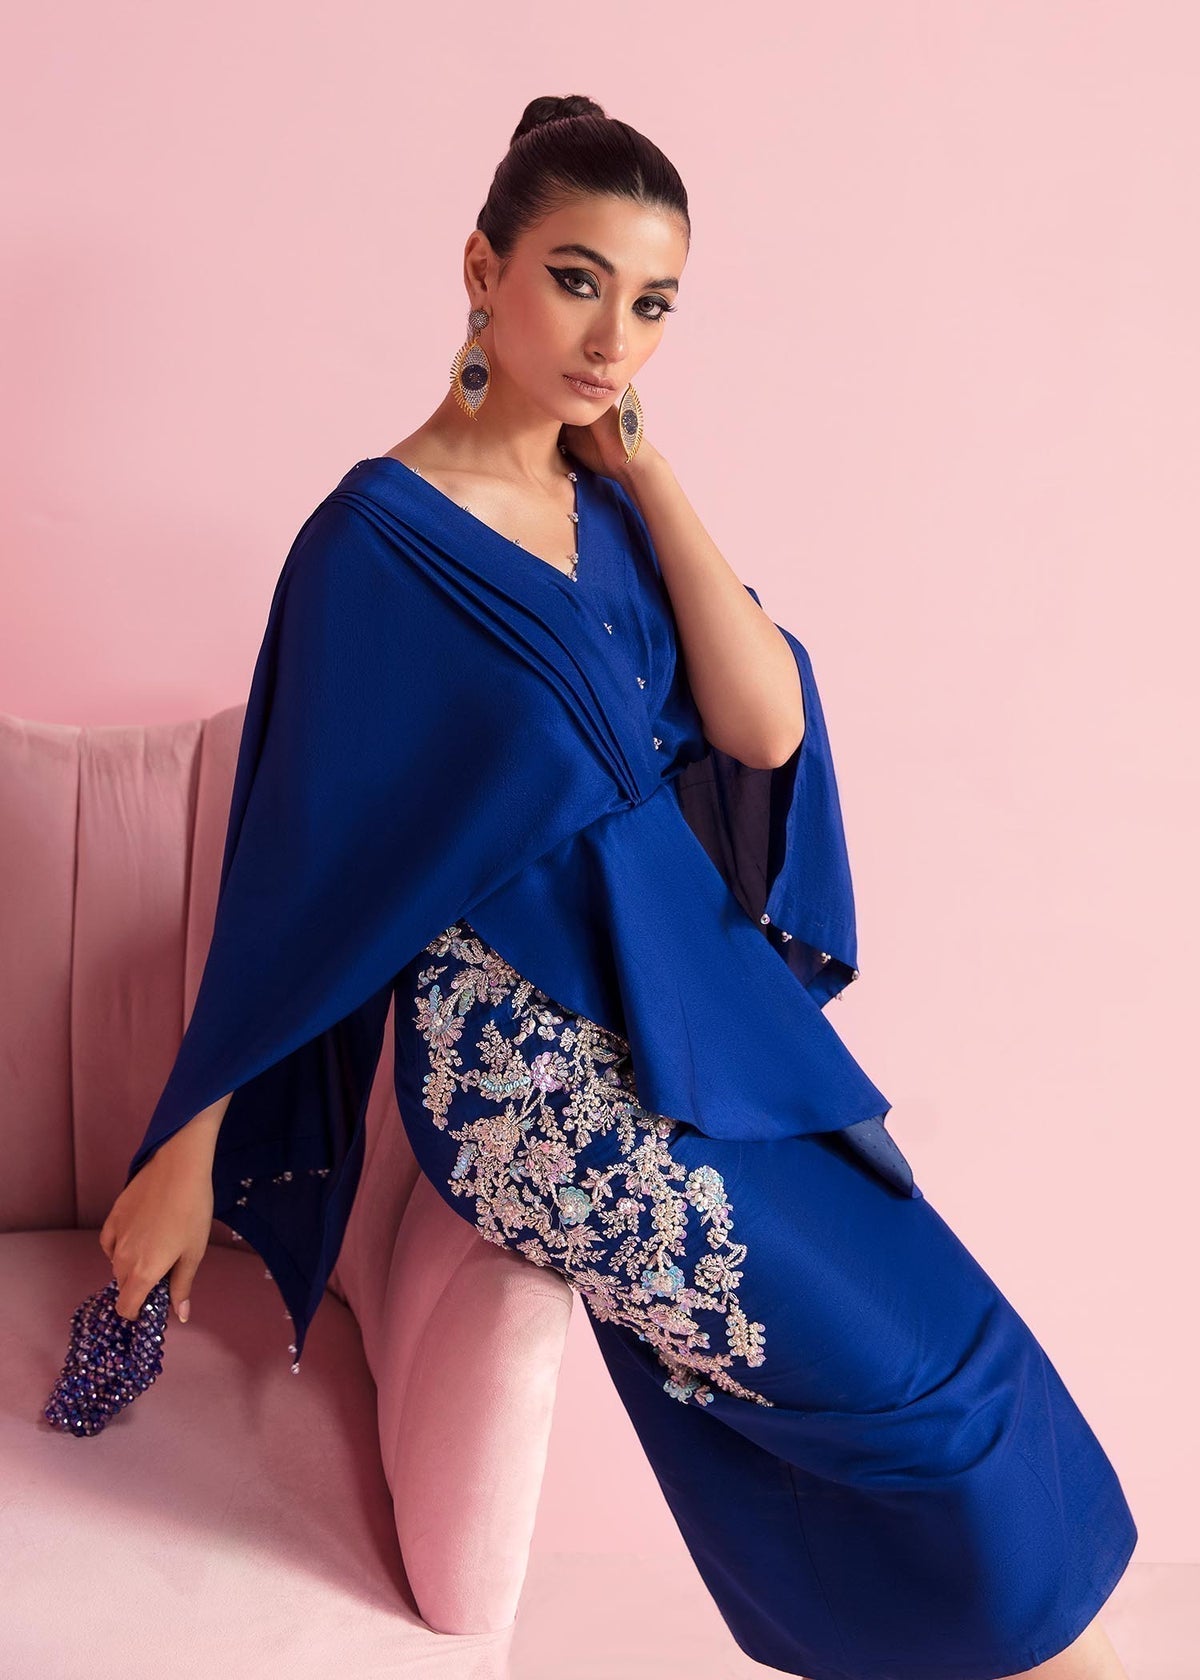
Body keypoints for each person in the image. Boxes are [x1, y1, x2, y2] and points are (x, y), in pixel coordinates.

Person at [98, 94, 1137, 1680]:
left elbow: (763, 726)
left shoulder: (610, 515)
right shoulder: (371, 544)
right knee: (915, 1408)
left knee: (974, 1369)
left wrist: (649, 473)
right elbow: (292, 872)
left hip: (708, 1028)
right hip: (539, 1077)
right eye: (578, 282)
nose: (612, 339)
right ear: (483, 270)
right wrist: (191, 1145)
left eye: (652, 306)